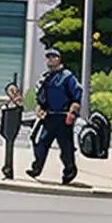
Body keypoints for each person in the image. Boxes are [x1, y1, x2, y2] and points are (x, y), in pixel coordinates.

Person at [27, 48, 82, 184]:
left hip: (63, 117)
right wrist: (40, 108)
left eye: (53, 57)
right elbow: (42, 97)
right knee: (40, 142)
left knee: (66, 148)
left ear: (59, 59)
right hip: (49, 116)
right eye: (48, 58)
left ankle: (69, 171)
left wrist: (72, 113)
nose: (50, 60)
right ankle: (37, 167)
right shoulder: (47, 77)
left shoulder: (67, 76)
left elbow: (76, 96)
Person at [0, 82, 28, 180]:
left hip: (12, 126)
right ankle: (7, 167)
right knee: (8, 145)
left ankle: (8, 168)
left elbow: (23, 110)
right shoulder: (5, 106)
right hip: (7, 127)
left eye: (15, 90)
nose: (13, 93)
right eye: (10, 91)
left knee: (10, 145)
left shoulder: (19, 104)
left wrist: (18, 101)